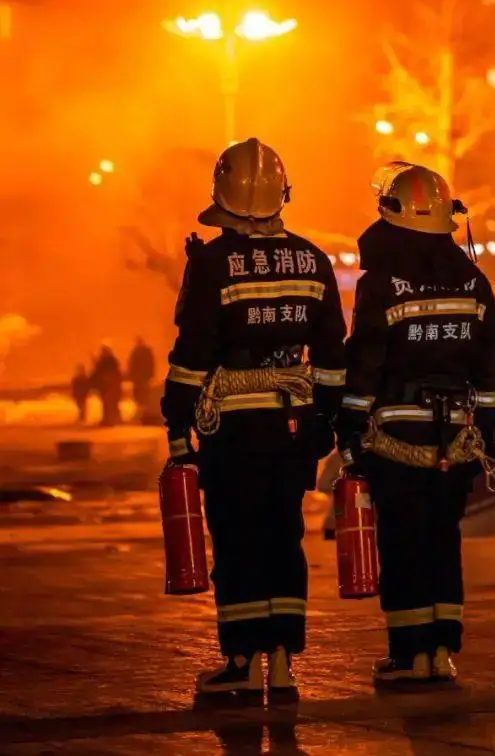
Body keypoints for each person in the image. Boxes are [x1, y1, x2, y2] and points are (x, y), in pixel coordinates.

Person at [161, 137, 346, 704]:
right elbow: (332, 353)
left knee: (239, 543)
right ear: (280, 196)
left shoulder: (214, 263)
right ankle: (285, 663)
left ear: (223, 199)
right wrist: (326, 422)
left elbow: (194, 354)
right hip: (293, 425)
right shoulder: (313, 259)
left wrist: (176, 425)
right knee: (283, 538)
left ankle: (242, 662)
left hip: (233, 433)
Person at [338, 161, 495, 687]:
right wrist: (489, 426)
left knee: (404, 541)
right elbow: (492, 359)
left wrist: (348, 429)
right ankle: (442, 650)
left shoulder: (382, 284)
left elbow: (366, 361)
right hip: (456, 436)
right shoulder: (472, 279)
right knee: (442, 538)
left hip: (396, 437)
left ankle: (410, 654)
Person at [90, 344, 123, 427]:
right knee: (111, 403)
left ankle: (109, 420)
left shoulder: (104, 361)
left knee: (108, 403)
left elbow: (97, 372)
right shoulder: (113, 361)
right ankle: (111, 419)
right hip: (109, 386)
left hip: (106, 385)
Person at [127, 337, 157, 424]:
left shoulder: (137, 352)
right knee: (141, 396)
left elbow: (133, 365)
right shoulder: (145, 352)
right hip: (142, 378)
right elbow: (151, 365)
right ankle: (142, 415)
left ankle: (142, 415)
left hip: (140, 378)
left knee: (141, 396)